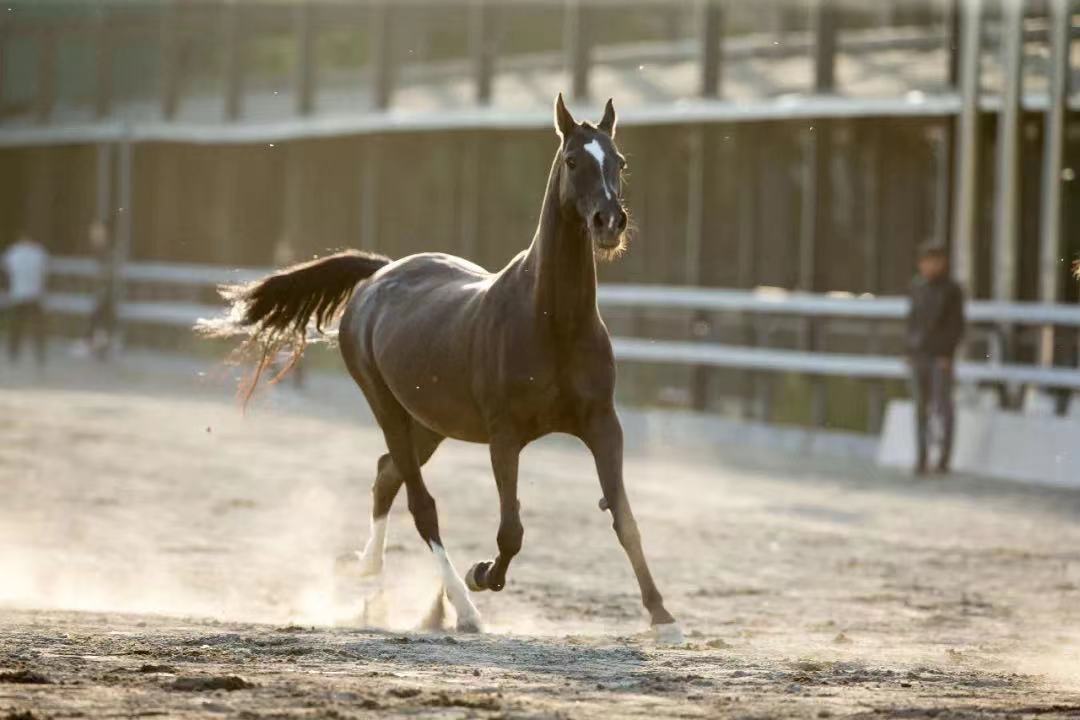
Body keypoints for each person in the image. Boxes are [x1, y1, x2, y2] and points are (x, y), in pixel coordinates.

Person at [907, 243, 964, 475]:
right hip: (919, 353)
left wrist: (947, 354)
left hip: (940, 356)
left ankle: (943, 459)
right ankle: (921, 457)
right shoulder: (917, 287)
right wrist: (908, 351)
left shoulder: (952, 289)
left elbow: (956, 325)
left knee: (942, 407)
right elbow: (911, 321)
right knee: (920, 407)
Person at [2, 232, 49, 367]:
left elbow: (7, 273)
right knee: (38, 328)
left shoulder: (13, 252)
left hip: (18, 295)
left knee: (16, 327)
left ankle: (13, 353)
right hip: (35, 295)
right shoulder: (39, 253)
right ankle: (40, 355)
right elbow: (44, 274)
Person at [86, 220, 117, 361]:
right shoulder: (98, 251)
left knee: (101, 319)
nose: (94, 236)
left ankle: (101, 349)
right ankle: (101, 348)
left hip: (105, 292)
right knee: (99, 320)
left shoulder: (106, 251)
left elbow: (106, 273)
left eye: (97, 233)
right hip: (102, 292)